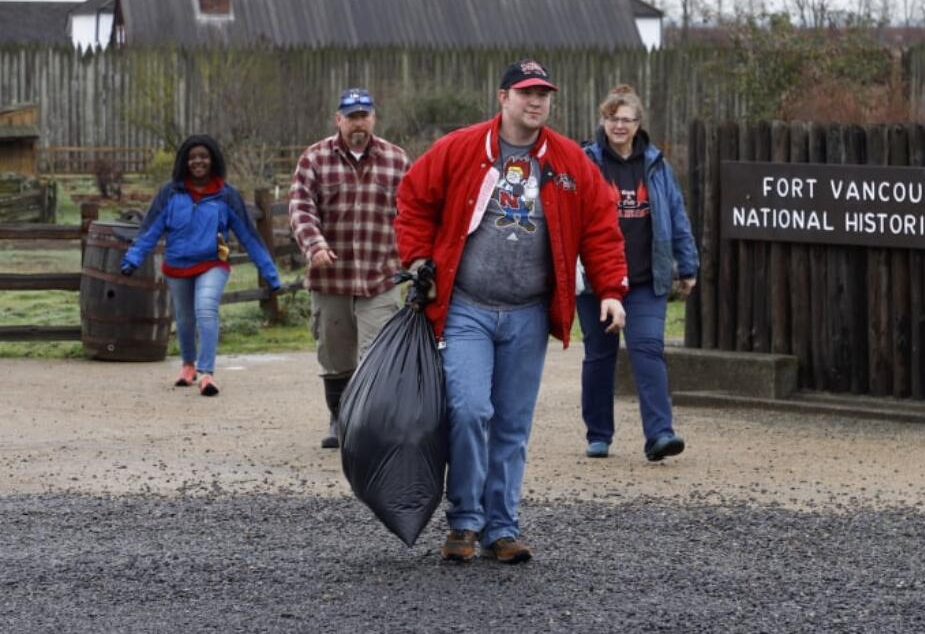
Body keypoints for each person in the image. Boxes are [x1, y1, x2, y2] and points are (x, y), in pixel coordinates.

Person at [394, 59, 628, 565]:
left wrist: (610, 289)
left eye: (543, 93)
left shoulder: (568, 162)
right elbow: (413, 198)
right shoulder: (461, 148)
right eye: (525, 93)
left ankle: (501, 526)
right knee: (471, 409)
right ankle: (463, 521)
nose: (536, 102)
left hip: (527, 313)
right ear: (502, 98)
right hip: (466, 308)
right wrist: (418, 259)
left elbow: (601, 225)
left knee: (512, 423)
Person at [578, 85, 698, 462]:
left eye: (625, 118)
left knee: (648, 350)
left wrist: (688, 264)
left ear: (638, 123)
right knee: (600, 354)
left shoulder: (657, 165)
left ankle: (660, 434)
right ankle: (599, 434)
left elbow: (676, 215)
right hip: (596, 280)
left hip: (646, 279)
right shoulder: (586, 161)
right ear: (603, 120)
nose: (618, 125)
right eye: (612, 117)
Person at [289, 88, 412, 449]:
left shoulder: (396, 159)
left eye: (364, 115)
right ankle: (339, 418)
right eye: (351, 116)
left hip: (381, 274)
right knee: (336, 355)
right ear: (338, 120)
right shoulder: (314, 159)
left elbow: (413, 211)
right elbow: (300, 207)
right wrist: (315, 245)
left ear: (373, 118)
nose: (358, 123)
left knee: (378, 353)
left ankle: (371, 423)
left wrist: (414, 258)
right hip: (331, 276)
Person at [121, 135, 282, 396]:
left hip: (212, 263)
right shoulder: (170, 193)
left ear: (213, 160)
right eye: (193, 157)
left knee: (206, 309)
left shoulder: (226, 196)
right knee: (185, 319)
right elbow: (150, 230)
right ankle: (187, 366)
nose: (198, 161)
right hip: (177, 266)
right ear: (184, 162)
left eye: (204, 156)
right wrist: (132, 260)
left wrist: (270, 275)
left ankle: (207, 373)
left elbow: (249, 237)